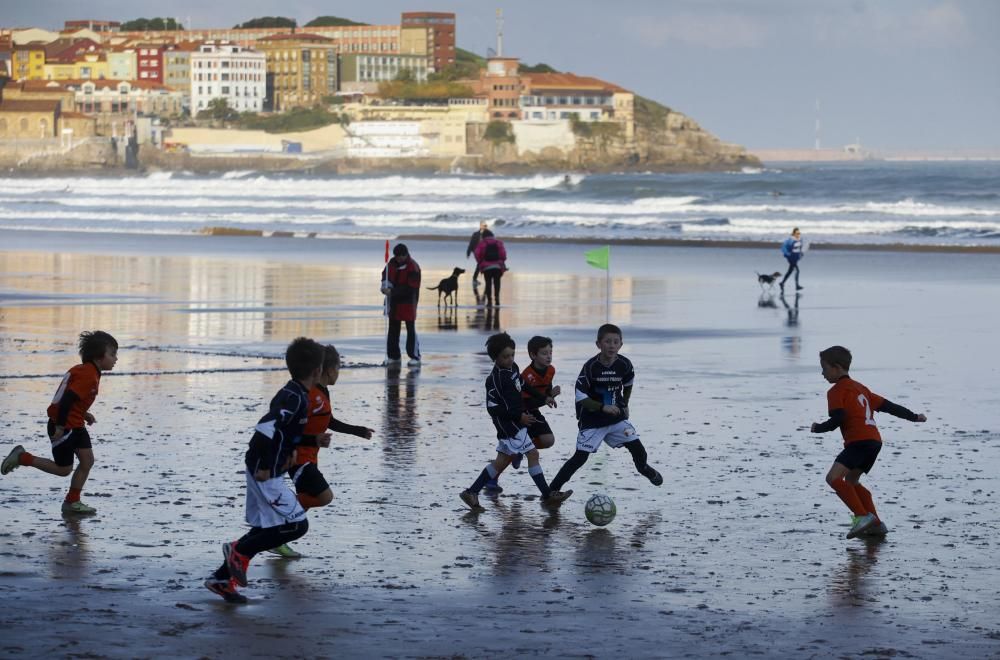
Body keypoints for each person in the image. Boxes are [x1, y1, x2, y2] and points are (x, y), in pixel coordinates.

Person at [203, 337, 324, 603]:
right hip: (265, 470)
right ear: (317, 371)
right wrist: (267, 467)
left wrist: (310, 441)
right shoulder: (294, 398)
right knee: (296, 525)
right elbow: (265, 428)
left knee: (268, 527)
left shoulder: (294, 393)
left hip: (266, 467)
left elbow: (284, 432)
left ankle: (221, 579)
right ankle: (237, 550)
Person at [269, 344, 374, 559]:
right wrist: (312, 438)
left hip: (311, 455)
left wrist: (357, 430)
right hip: (298, 457)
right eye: (338, 368)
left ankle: (278, 539)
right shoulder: (307, 394)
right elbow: (286, 428)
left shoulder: (323, 391)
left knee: (309, 497)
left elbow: (330, 421)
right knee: (324, 496)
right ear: (327, 369)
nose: (339, 373)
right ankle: (276, 522)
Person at [810, 346, 926, 539]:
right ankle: (876, 525)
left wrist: (818, 427)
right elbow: (889, 406)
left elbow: (839, 417)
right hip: (874, 442)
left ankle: (862, 516)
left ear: (837, 368)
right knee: (852, 480)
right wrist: (914, 417)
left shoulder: (836, 391)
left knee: (833, 478)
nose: (822, 373)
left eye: (824, 368)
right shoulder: (861, 389)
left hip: (859, 442)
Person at [2, 331, 119, 516]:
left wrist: (84, 413)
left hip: (75, 423)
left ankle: (72, 501)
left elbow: (73, 400)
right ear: (98, 356)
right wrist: (59, 427)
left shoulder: (86, 371)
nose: (116, 359)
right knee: (64, 469)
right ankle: (22, 457)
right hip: (65, 426)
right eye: (112, 354)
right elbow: (66, 401)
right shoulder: (88, 375)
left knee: (87, 460)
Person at [459, 332, 572, 512]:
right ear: (495, 358)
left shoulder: (513, 369)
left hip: (516, 423)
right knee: (531, 455)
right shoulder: (494, 380)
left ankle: (471, 492)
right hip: (509, 427)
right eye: (505, 356)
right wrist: (518, 417)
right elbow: (492, 408)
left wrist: (544, 398)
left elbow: (524, 385)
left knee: (502, 462)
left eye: (512, 355)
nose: (510, 359)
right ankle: (548, 495)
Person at [547, 324, 663, 494]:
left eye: (616, 342)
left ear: (621, 345)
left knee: (638, 448)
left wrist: (625, 404)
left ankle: (644, 469)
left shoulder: (624, 364)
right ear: (598, 344)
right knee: (579, 459)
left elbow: (628, 383)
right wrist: (603, 407)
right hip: (592, 421)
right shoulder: (590, 367)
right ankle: (552, 491)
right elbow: (580, 395)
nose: (611, 345)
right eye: (607, 341)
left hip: (615, 419)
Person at [483, 335, 562, 493]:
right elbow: (519, 401)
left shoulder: (550, 370)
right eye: (544, 353)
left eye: (550, 353)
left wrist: (549, 396)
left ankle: (519, 453)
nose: (548, 356)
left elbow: (542, 392)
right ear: (533, 355)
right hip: (520, 414)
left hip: (532, 411)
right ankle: (546, 495)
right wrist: (542, 401)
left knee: (547, 441)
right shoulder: (524, 375)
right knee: (520, 451)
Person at [381, 243, 422, 366]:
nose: (398, 259)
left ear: (405, 255)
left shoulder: (413, 267)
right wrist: (385, 287)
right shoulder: (391, 264)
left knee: (410, 329)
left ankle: (415, 356)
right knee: (393, 329)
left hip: (409, 302)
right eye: (396, 257)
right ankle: (394, 356)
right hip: (393, 303)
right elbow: (385, 276)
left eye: (400, 257)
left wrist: (392, 292)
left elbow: (411, 288)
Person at [473, 229, 507, 306]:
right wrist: (502, 261)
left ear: (483, 236)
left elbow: (476, 253)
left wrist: (480, 261)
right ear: (492, 235)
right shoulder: (498, 242)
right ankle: (497, 299)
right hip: (498, 266)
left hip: (486, 267)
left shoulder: (482, 243)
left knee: (488, 283)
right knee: (497, 283)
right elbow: (503, 254)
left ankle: (489, 301)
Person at [780, 227, 804, 292]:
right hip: (791, 258)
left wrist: (801, 253)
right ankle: (797, 286)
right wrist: (788, 255)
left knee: (790, 271)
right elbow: (784, 248)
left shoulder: (799, 239)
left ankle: (782, 283)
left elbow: (799, 248)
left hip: (795, 257)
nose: (798, 234)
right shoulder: (790, 240)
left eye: (799, 233)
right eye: (797, 233)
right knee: (797, 271)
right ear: (793, 233)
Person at [466, 221, 488, 287]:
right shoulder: (475, 234)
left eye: (486, 226)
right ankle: (476, 279)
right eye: (484, 225)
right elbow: (471, 244)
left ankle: (475, 279)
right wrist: (468, 252)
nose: (485, 227)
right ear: (480, 226)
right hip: (477, 252)